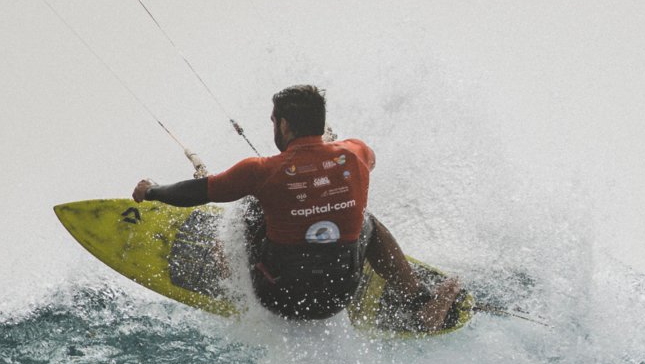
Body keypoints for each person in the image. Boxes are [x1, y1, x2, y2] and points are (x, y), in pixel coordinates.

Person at [132, 84, 460, 330]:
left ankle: (229, 281)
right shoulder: (355, 153)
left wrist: (152, 191)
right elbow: (362, 159)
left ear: (285, 126)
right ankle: (419, 302)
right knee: (366, 223)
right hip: (337, 296)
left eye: (275, 121)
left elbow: (196, 191)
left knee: (246, 207)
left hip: (279, 298)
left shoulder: (259, 171)